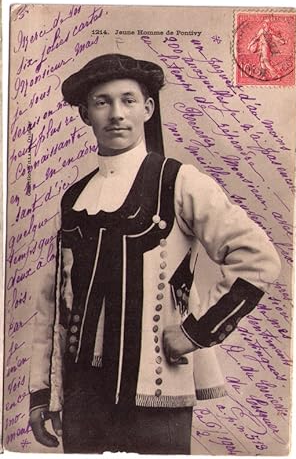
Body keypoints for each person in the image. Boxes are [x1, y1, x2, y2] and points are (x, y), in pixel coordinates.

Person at [28, 53, 281, 454]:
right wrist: (42, 394)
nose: (116, 113)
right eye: (101, 102)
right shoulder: (74, 198)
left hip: (153, 395)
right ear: (84, 114)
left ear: (147, 108)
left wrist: (196, 332)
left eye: (128, 100)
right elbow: (52, 303)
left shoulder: (178, 181)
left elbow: (260, 259)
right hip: (82, 399)